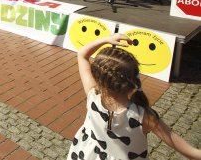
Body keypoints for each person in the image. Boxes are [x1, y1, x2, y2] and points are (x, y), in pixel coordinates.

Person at [69, 33, 201, 159]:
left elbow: (82, 54)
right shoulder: (144, 116)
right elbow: (191, 153)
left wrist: (107, 39)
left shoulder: (93, 95)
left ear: (99, 81)